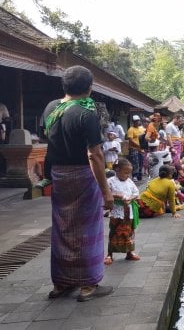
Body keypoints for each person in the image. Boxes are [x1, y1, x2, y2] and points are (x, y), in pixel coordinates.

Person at [41, 65, 113, 302]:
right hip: (83, 175)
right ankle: (88, 285)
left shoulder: (52, 108)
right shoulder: (86, 112)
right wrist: (106, 191)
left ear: (65, 85)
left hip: (59, 175)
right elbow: (95, 155)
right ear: (90, 88)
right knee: (87, 230)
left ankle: (61, 282)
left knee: (62, 229)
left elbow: (49, 140)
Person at [105, 158, 140, 265]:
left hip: (128, 210)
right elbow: (106, 194)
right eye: (125, 173)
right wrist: (117, 196)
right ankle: (109, 254)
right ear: (117, 170)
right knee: (114, 231)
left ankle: (129, 252)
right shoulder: (110, 181)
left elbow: (136, 192)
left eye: (129, 173)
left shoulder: (129, 181)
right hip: (117, 210)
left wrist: (131, 198)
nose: (127, 175)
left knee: (129, 232)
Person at [127, 115, 146, 181]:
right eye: (135, 121)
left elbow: (144, 137)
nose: (137, 122)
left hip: (141, 148)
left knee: (141, 161)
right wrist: (138, 145)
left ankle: (139, 175)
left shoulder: (141, 129)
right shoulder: (131, 129)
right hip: (134, 148)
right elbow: (131, 139)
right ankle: (134, 175)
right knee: (135, 162)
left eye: (138, 121)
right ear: (133, 122)